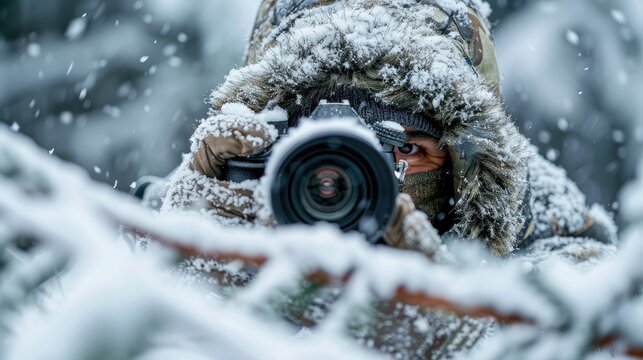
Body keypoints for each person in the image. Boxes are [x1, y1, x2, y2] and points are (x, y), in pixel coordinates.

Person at [160, 0, 618, 358]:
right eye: (315, 140)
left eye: (405, 148)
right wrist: (183, 286)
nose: (343, 177)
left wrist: (461, 330)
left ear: (467, 167)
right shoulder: (204, 209)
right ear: (262, 139)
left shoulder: (554, 256)